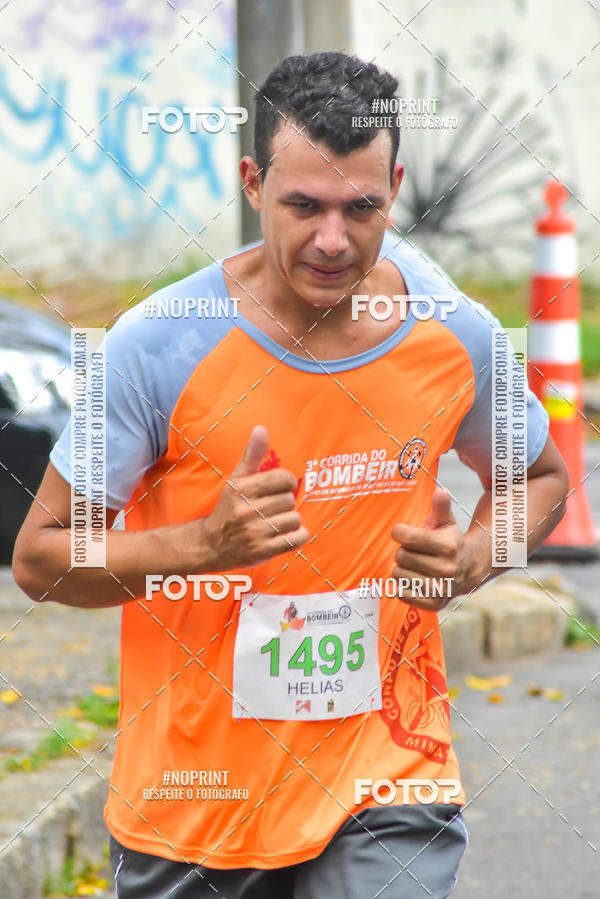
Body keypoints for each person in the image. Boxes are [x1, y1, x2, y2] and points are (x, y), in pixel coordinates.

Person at [13, 52, 569, 898]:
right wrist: (202, 542)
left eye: (363, 208)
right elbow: (42, 558)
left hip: (387, 777)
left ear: (397, 187)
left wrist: (475, 558)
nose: (333, 240)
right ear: (252, 182)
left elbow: (540, 479)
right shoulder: (158, 345)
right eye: (303, 205)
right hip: (192, 804)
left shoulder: (457, 332)